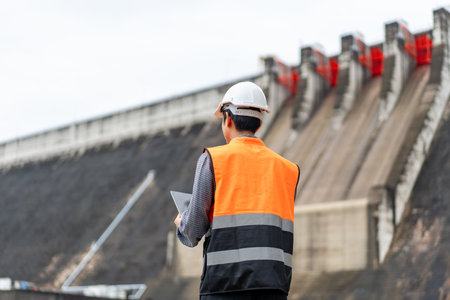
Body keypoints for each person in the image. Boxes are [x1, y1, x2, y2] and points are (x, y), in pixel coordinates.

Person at [174, 81, 300, 300]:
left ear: (228, 119)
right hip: (274, 288)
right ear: (259, 124)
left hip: (224, 287)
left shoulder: (212, 160)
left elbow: (193, 231)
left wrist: (181, 222)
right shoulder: (288, 169)